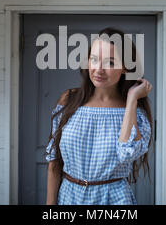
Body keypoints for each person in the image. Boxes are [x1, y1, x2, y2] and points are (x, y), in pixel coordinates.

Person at [45, 27, 153, 205]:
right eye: (94, 60)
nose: (98, 69)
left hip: (113, 199)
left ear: (125, 67)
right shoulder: (69, 99)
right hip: (69, 197)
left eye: (110, 63)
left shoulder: (134, 112)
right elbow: (54, 161)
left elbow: (127, 153)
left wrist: (132, 99)